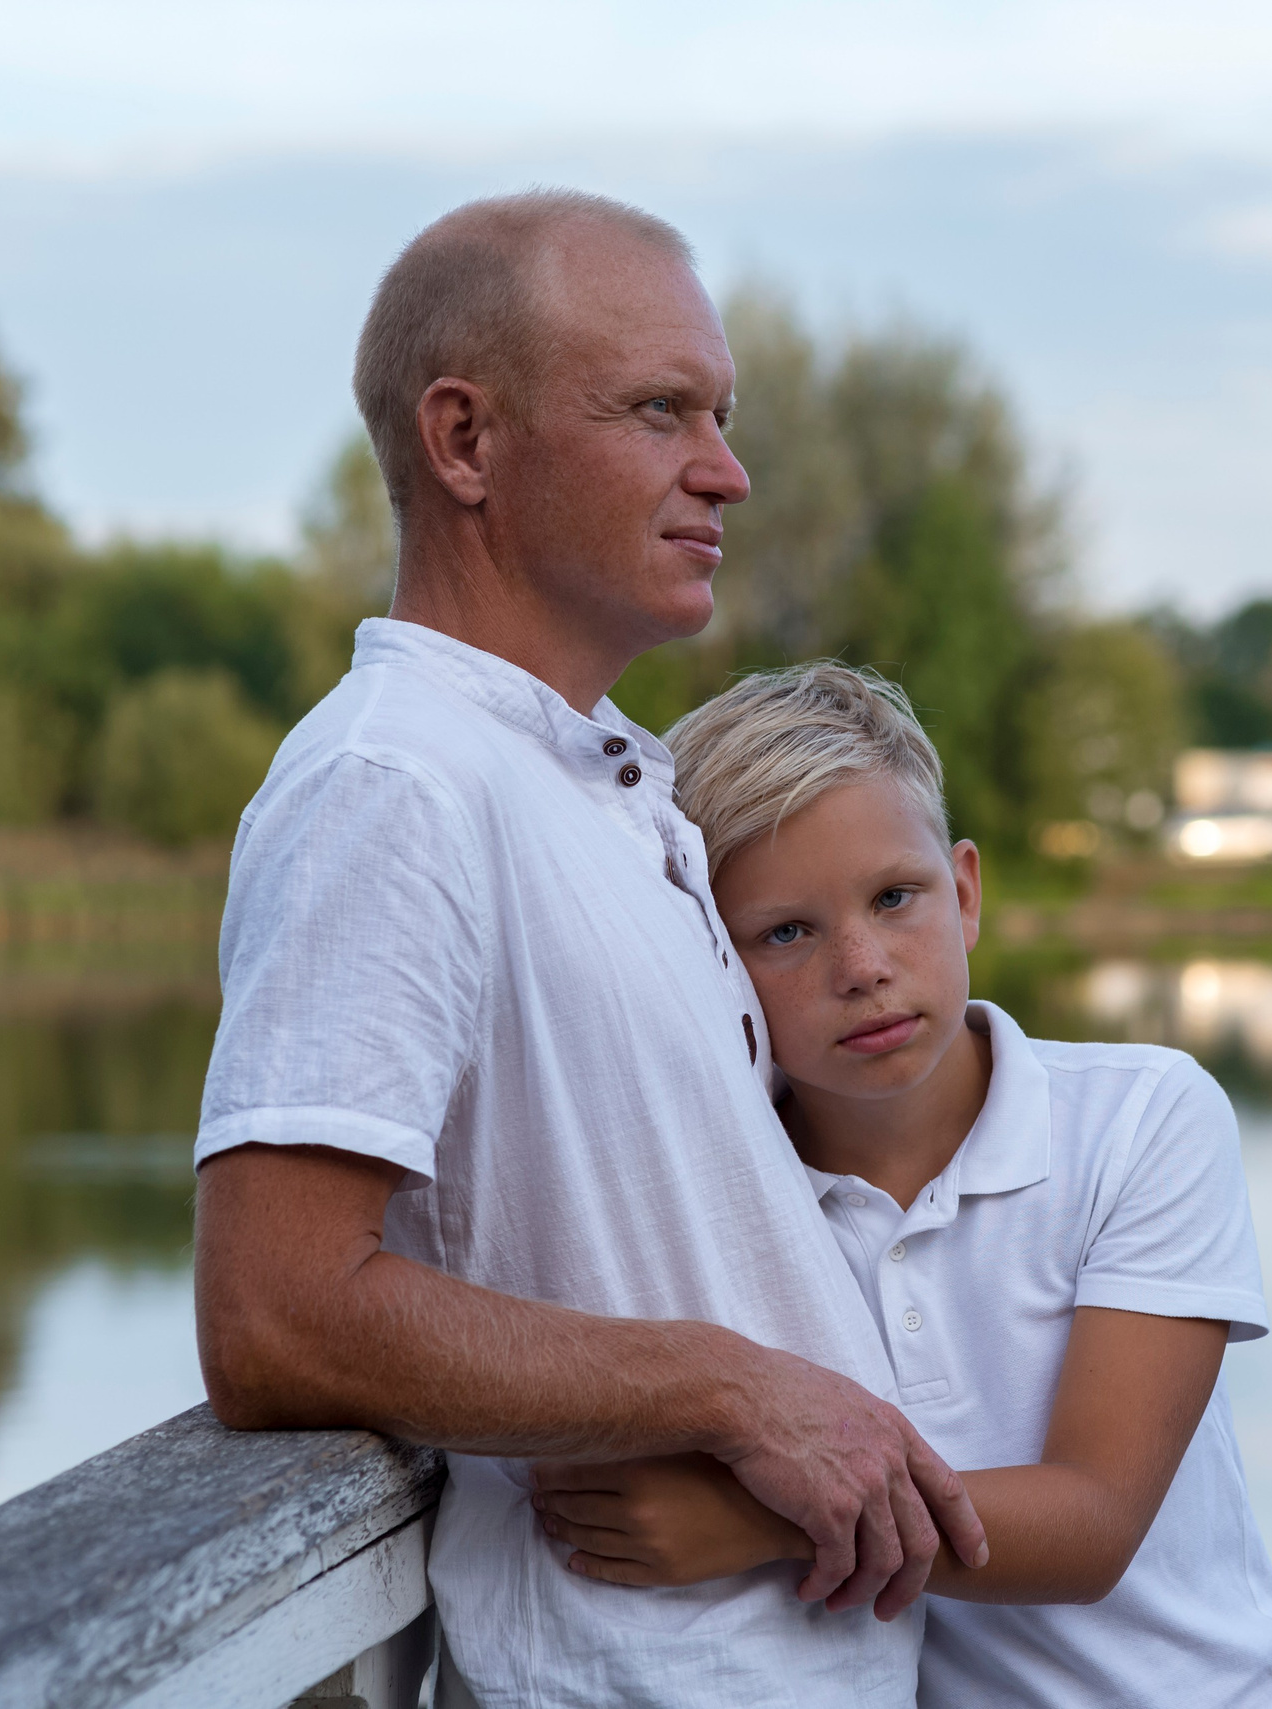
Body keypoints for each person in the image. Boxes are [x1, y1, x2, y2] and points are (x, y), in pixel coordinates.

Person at [190, 193, 984, 1709]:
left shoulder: (604, 782)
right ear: (466, 443)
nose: (729, 472)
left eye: (724, 413)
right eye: (660, 411)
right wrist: (731, 1386)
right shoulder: (397, 781)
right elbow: (276, 1311)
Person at [530, 664, 1272, 1707]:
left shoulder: (1143, 1117)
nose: (862, 964)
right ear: (709, 962)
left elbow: (1093, 1520)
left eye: (896, 897)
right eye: (786, 932)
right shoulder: (717, 1197)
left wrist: (753, 1520)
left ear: (967, 891)